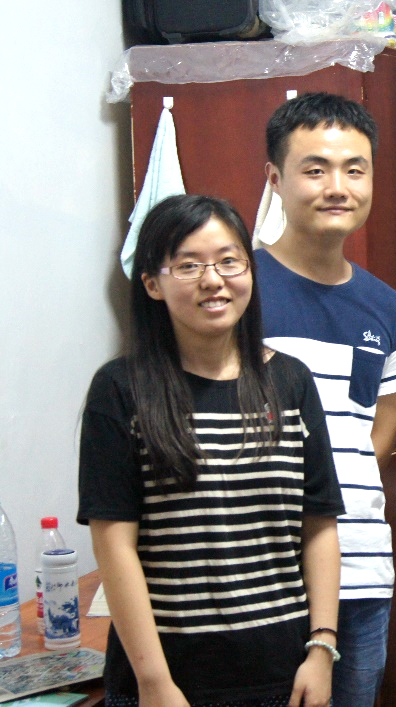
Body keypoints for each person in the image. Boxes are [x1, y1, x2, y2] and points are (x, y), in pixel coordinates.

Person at [77, 194, 344, 706]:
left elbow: (318, 526)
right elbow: (114, 546)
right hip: (167, 678)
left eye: (228, 260)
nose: (213, 279)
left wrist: (321, 648)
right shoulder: (120, 389)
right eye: (188, 265)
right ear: (152, 284)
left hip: (283, 672)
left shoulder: (290, 382)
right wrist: (154, 682)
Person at [255, 93, 396, 706]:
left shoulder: (386, 306)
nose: (337, 187)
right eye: (315, 169)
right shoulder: (239, 292)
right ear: (276, 179)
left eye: (355, 169)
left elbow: (384, 424)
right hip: (261, 573)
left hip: (361, 569)